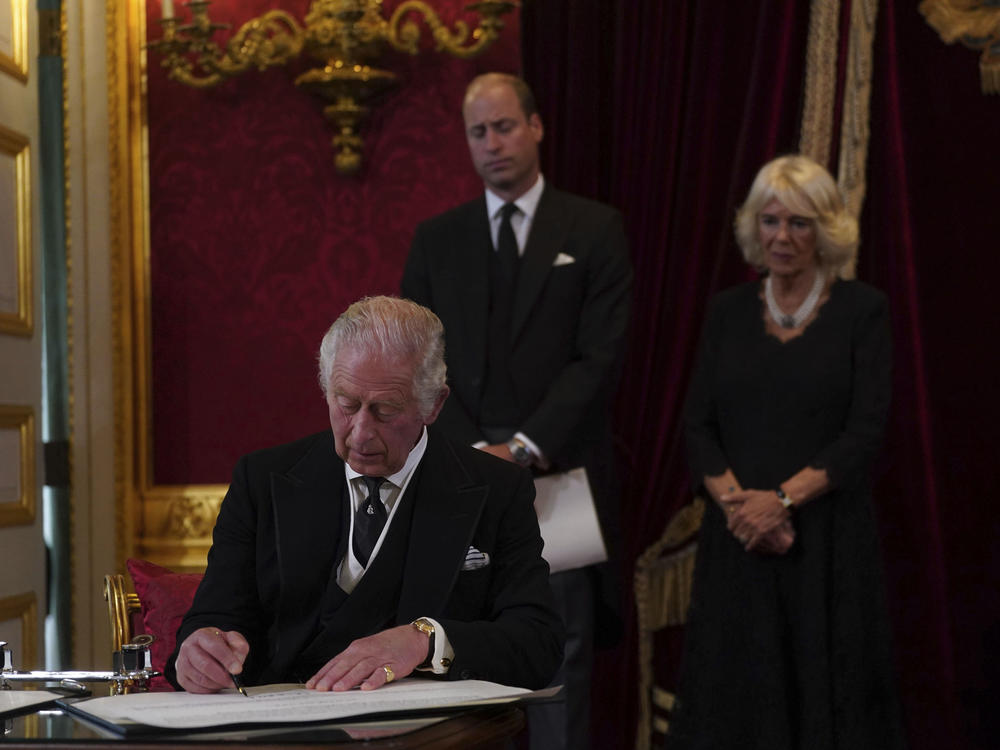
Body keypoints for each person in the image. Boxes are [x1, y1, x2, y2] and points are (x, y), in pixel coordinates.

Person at [166, 296, 563, 693]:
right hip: (285, 725)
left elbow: (537, 644)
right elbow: (214, 619)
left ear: (434, 405)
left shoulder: (497, 488)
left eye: (385, 410)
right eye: (346, 404)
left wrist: (425, 640)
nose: (360, 432)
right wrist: (198, 653)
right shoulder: (262, 480)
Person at [401, 73, 632, 749]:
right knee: (455, 663)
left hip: (556, 483)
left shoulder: (594, 229)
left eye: (505, 126)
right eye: (479, 132)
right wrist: (477, 457)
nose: (493, 143)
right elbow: (417, 364)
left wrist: (523, 449)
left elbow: (600, 359)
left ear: (536, 127)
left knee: (560, 664)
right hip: (459, 480)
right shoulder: (437, 240)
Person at [668, 155, 906, 748]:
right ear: (754, 226)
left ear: (824, 230)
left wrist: (781, 502)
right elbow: (697, 424)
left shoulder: (863, 311)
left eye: (800, 223)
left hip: (826, 542)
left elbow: (866, 430)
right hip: (739, 540)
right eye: (770, 220)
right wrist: (742, 511)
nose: (782, 236)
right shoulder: (726, 312)